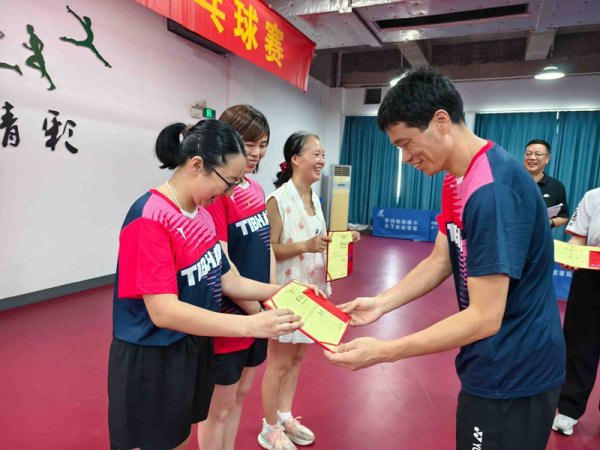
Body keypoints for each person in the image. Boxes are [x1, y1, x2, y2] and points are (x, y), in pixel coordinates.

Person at [325, 67, 565, 450]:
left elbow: (484, 317)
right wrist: (381, 304)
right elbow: (442, 259)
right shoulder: (456, 179)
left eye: (407, 143)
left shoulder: (491, 192)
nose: (405, 157)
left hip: (515, 371)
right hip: (489, 361)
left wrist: (384, 351)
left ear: (441, 122)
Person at [107, 119, 304, 450]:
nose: (229, 193)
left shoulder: (201, 215)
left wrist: (283, 292)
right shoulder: (150, 217)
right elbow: (164, 311)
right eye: (228, 183)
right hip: (153, 357)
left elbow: (228, 278)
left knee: (182, 439)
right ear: (197, 165)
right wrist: (251, 325)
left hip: (190, 346)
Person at [259, 131, 359, 450]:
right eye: (315, 154)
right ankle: (269, 427)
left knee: (297, 359)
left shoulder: (315, 198)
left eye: (323, 154)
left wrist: (342, 240)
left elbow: (319, 240)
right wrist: (305, 245)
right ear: (295, 159)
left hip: (314, 293)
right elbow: (269, 250)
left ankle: (285, 416)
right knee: (278, 364)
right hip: (287, 293)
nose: (321, 161)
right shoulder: (277, 200)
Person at [197, 105, 274, 450]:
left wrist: (271, 300)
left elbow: (266, 247)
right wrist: (258, 312)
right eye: (248, 144)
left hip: (258, 313)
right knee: (219, 409)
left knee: (241, 395)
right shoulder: (218, 196)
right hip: (230, 317)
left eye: (263, 145)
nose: (255, 153)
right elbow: (222, 264)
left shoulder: (256, 189)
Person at [552, 187, 600, 436]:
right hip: (591, 278)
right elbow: (579, 238)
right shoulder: (594, 197)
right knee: (580, 345)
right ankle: (569, 409)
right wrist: (572, 253)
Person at [523, 138, 569, 228]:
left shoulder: (557, 186)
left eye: (538, 154)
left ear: (547, 159)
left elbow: (564, 216)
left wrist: (549, 222)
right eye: (528, 154)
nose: (532, 157)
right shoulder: (511, 181)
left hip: (540, 235)